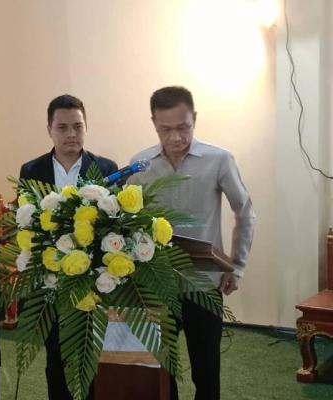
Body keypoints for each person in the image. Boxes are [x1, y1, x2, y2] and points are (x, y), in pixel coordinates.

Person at [128, 86, 255, 400]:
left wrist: (236, 266)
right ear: (154, 124)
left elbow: (245, 212)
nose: (176, 137)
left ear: (194, 118)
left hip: (203, 284)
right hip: (156, 284)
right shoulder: (140, 165)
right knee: (159, 370)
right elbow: (127, 220)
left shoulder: (218, 160)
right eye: (165, 129)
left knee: (206, 370)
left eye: (183, 127)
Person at [20, 94, 118, 400]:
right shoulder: (31, 171)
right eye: (62, 127)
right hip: (49, 282)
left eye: (78, 126)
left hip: (93, 283)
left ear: (86, 127)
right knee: (56, 358)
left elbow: (116, 226)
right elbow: (26, 223)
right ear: (49, 129)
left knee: (92, 357)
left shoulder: (106, 168)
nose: (71, 134)